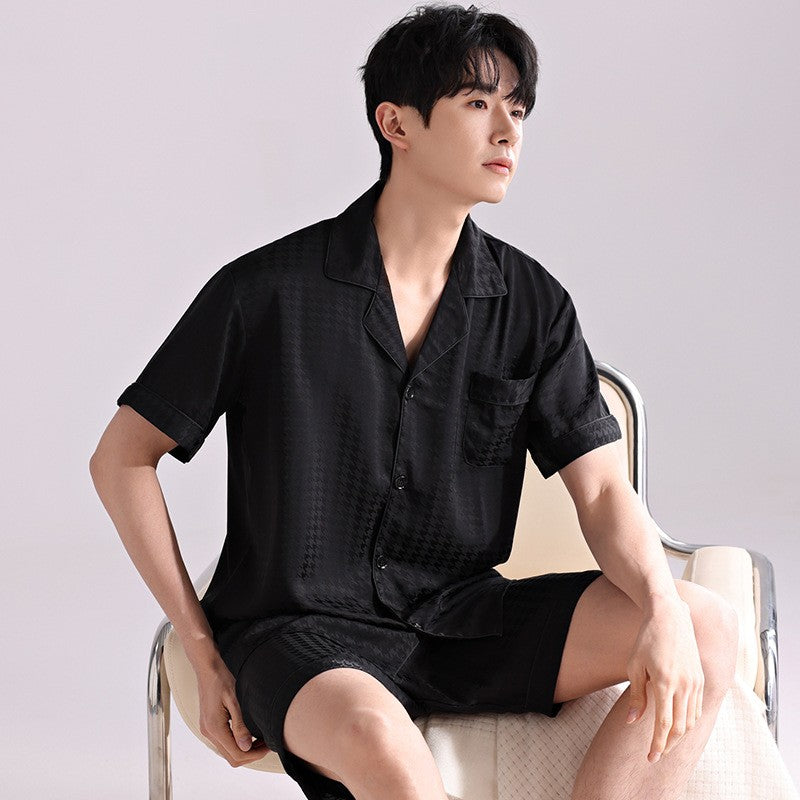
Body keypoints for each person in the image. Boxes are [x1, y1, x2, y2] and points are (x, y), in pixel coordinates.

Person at [90, 4, 739, 799]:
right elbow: (121, 458)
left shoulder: (532, 305)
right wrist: (200, 646)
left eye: (518, 109)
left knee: (706, 625)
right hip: (299, 631)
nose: (507, 131)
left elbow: (602, 492)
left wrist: (663, 610)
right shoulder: (266, 293)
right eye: (477, 103)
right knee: (376, 739)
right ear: (396, 123)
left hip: (464, 619)